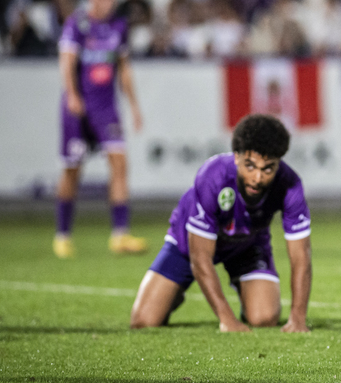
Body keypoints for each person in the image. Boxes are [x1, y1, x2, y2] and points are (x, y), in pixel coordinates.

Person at [129, 114, 312, 333]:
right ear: (236, 157)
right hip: (189, 245)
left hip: (247, 246)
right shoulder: (212, 176)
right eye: (250, 166)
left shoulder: (290, 184)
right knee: (143, 321)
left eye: (267, 169)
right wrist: (227, 319)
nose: (257, 178)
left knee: (264, 318)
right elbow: (200, 257)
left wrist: (298, 318)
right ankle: (175, 292)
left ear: (278, 163)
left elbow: (301, 256)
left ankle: (247, 292)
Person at [54, 0, 146, 258]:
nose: (107, 1)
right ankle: (63, 235)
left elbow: (124, 68)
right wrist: (71, 94)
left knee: (120, 163)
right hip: (79, 107)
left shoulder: (119, 26)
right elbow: (67, 61)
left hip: (106, 108)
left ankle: (120, 234)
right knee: (72, 169)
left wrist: (134, 105)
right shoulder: (78, 24)